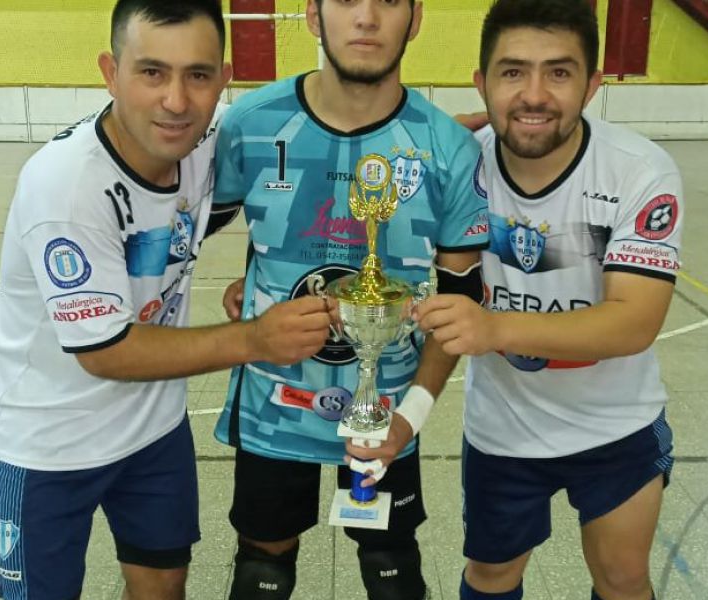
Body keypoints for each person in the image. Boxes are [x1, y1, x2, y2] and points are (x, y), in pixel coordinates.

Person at [0, 2, 331, 599]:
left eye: (196, 75)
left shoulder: (201, 144)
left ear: (222, 79)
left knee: (164, 585)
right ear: (109, 73)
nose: (175, 99)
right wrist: (256, 337)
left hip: (152, 431)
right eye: (151, 73)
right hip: (47, 442)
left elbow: (334, 137)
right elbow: (108, 351)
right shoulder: (66, 186)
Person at [211, 0, 492, 598]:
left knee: (391, 563)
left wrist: (410, 416)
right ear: (312, 16)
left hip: (384, 408)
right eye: (345, 0)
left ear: (416, 19)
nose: (366, 17)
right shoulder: (251, 122)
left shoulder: (446, 148)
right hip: (274, 401)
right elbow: (184, 225)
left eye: (389, 1)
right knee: (261, 564)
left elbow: (461, 308)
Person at [414, 1, 683, 599]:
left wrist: (494, 328)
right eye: (512, 72)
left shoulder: (638, 171)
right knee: (491, 575)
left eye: (558, 73)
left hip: (616, 425)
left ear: (592, 85)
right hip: (503, 430)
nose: (534, 94)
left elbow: (633, 323)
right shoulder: (457, 162)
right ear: (482, 83)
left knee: (622, 579)